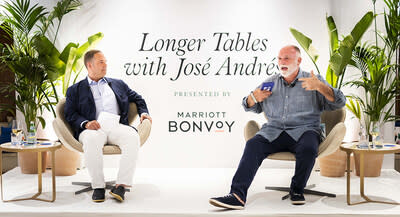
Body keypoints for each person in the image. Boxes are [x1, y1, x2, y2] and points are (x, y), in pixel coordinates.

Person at [209, 45, 345, 209]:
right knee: (252, 145)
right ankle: (237, 195)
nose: (282, 62)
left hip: (305, 130)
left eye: (287, 58)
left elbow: (340, 102)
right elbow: (249, 106)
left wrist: (320, 87)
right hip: (274, 132)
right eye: (279, 59)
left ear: (299, 60)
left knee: (308, 148)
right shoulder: (270, 82)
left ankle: (296, 189)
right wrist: (253, 97)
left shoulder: (312, 80)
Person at [64, 50, 152, 203]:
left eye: (105, 61)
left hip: (116, 126)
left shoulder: (118, 84)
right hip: (92, 129)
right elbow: (70, 114)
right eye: (101, 62)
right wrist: (86, 123)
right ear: (89, 65)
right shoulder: (75, 90)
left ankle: (121, 186)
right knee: (91, 140)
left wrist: (143, 112)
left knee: (132, 137)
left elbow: (138, 99)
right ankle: (98, 187)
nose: (105, 65)